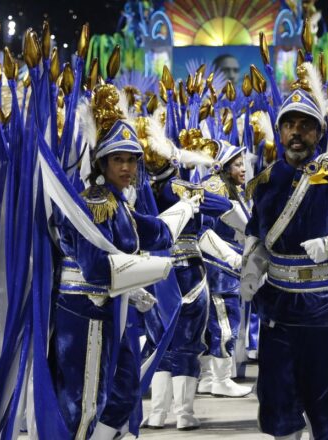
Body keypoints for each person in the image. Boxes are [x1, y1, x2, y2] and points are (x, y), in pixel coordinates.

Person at [52, 85, 196, 439]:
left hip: (108, 311)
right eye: (119, 159)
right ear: (102, 163)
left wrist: (191, 204)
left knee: (126, 387)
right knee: (85, 402)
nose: (128, 167)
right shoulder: (95, 204)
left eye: (132, 159)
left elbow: (157, 233)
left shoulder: (118, 204)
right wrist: (157, 271)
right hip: (85, 313)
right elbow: (97, 270)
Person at [241, 84, 328, 439]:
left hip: (325, 306)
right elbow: (256, 234)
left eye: (306, 125)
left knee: (324, 404)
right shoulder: (266, 181)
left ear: (319, 131)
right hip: (278, 306)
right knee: (276, 400)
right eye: (290, 125)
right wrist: (252, 267)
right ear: (280, 130)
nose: (297, 132)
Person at [143, 128, 235, 430]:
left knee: (160, 343)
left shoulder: (136, 191)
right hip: (188, 272)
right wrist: (191, 192)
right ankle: (183, 413)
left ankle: (158, 413)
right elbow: (222, 207)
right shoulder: (177, 188)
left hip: (152, 272)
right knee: (187, 342)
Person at [197, 141, 252, 398]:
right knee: (225, 323)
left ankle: (209, 378)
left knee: (219, 322)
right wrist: (230, 258)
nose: (244, 169)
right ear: (224, 166)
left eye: (244, 163)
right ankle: (222, 378)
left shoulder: (230, 188)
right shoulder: (215, 187)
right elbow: (204, 230)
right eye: (238, 164)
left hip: (227, 266)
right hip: (219, 267)